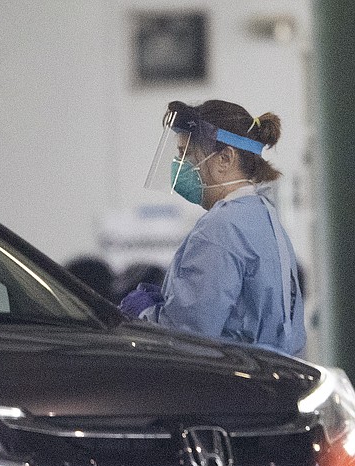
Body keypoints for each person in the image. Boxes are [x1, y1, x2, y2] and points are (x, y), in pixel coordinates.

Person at [119, 99, 306, 356]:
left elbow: (187, 338)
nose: (179, 165)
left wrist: (144, 315)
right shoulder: (263, 215)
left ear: (225, 158)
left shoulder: (220, 228)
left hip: (228, 385)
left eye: (186, 154)